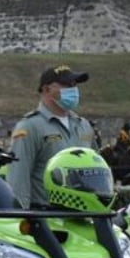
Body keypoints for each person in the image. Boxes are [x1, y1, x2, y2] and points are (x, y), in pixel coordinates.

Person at [8, 65, 95, 208]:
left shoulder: (83, 125)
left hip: (83, 214)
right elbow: (18, 178)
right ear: (47, 89)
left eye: (74, 85)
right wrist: (20, 217)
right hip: (47, 216)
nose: (73, 89)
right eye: (66, 85)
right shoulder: (30, 127)